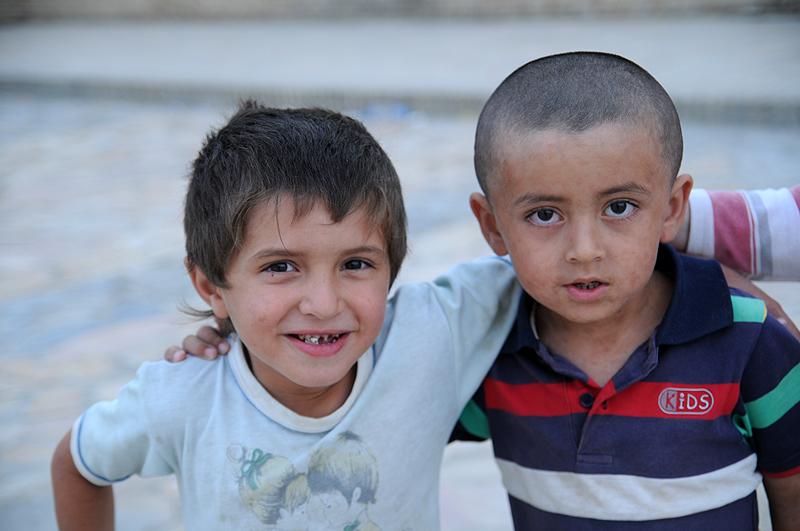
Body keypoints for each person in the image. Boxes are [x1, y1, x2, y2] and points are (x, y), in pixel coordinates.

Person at [50, 103, 526, 530]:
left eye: (355, 264)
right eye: (280, 267)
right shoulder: (184, 397)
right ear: (212, 287)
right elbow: (77, 463)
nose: (324, 304)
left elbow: (541, 263)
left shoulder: (428, 335)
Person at [452, 52, 800, 529]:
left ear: (672, 208)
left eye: (619, 207)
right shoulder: (488, 347)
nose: (584, 250)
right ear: (492, 227)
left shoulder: (751, 342)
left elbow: (794, 495)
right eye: (545, 215)